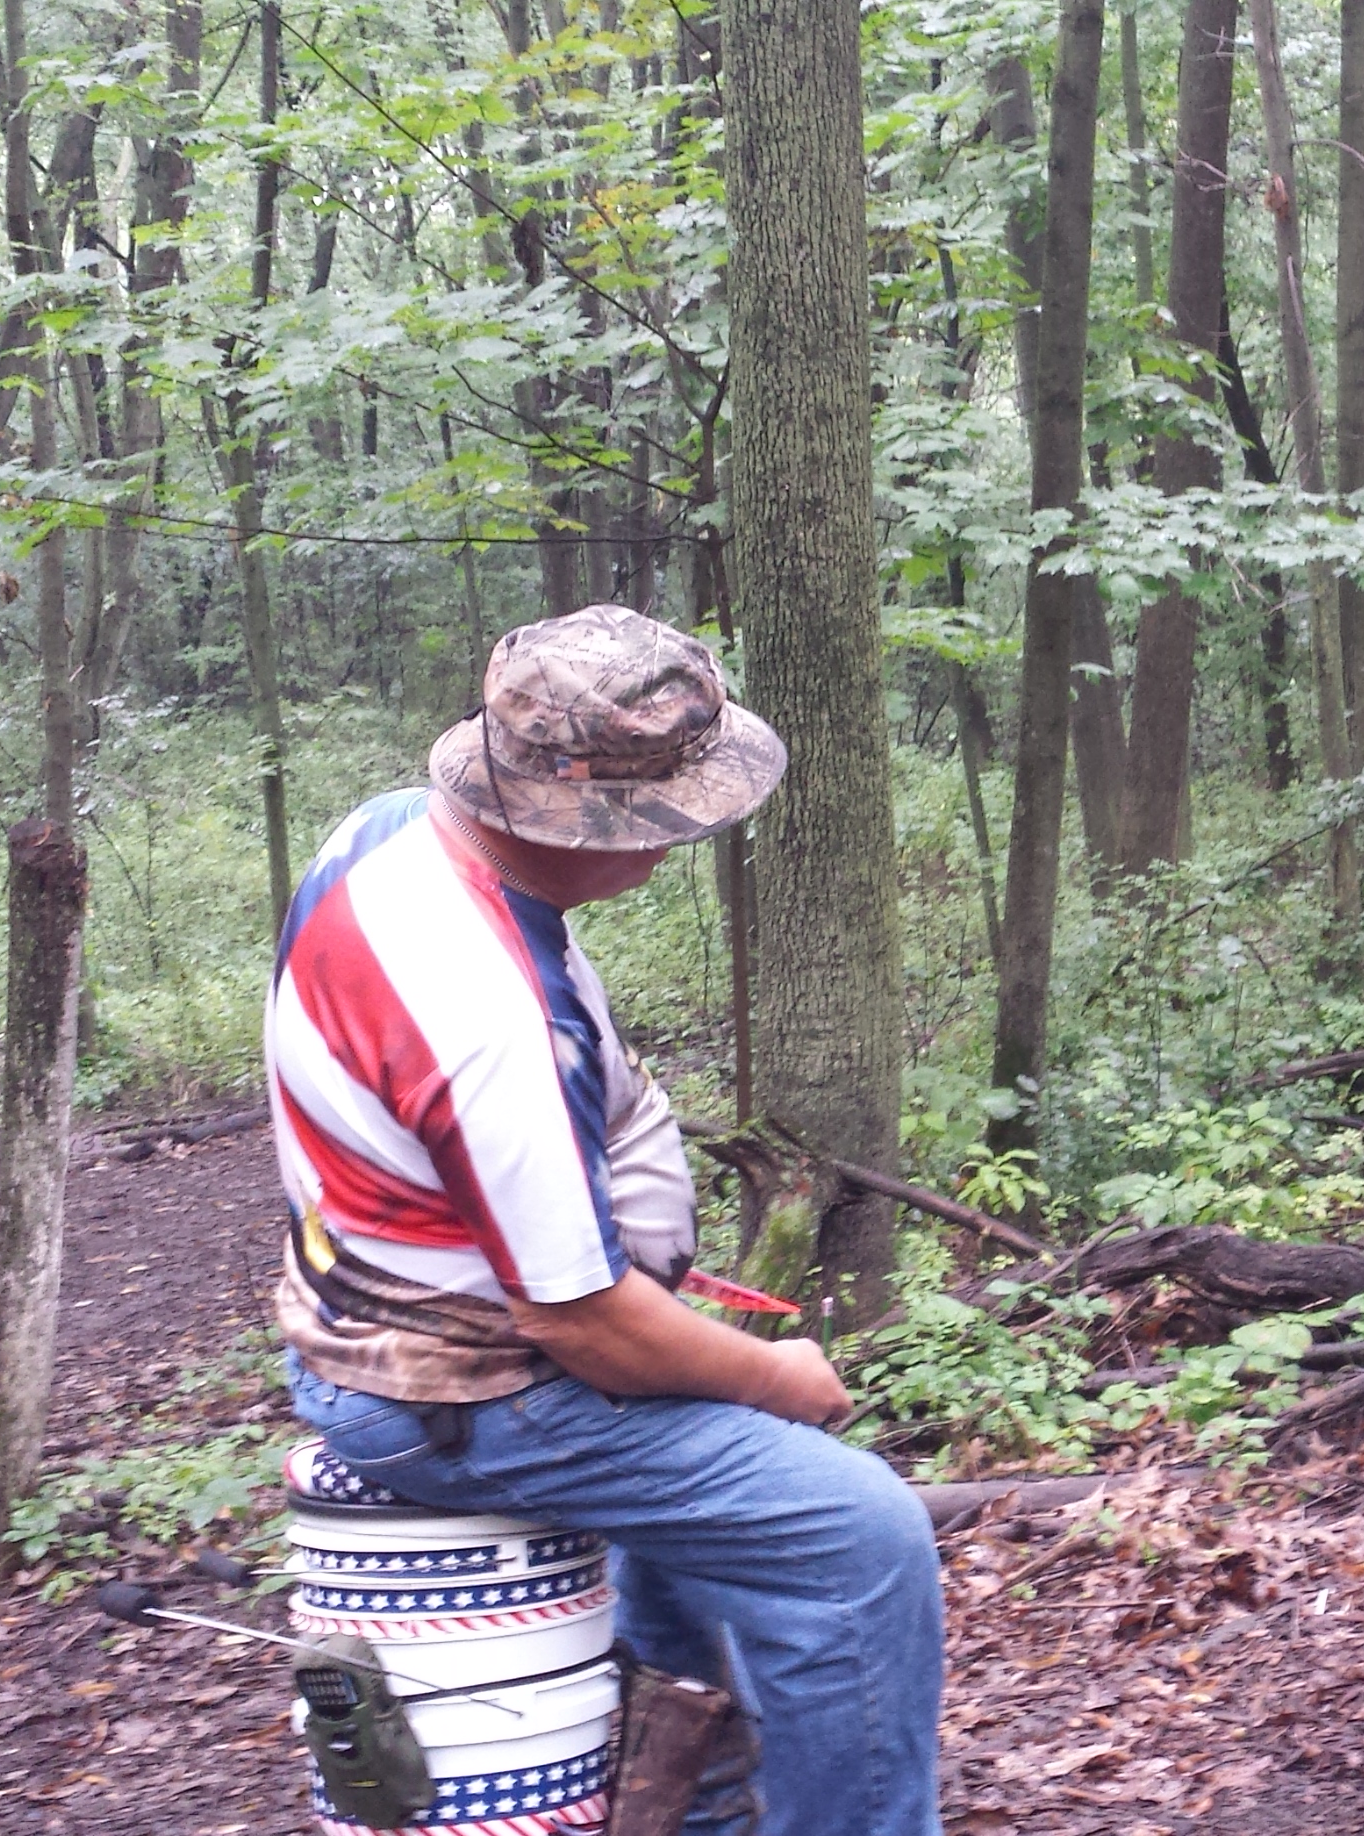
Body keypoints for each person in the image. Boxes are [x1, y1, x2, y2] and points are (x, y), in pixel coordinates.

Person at [267, 604, 941, 1835]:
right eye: (662, 816)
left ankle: (685, 1805)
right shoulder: (484, 1014)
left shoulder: (390, 832)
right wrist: (777, 1378)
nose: (677, 842)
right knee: (859, 1540)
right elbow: (584, 1325)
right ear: (572, 813)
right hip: (461, 1391)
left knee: (701, 1550)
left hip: (387, 1325)